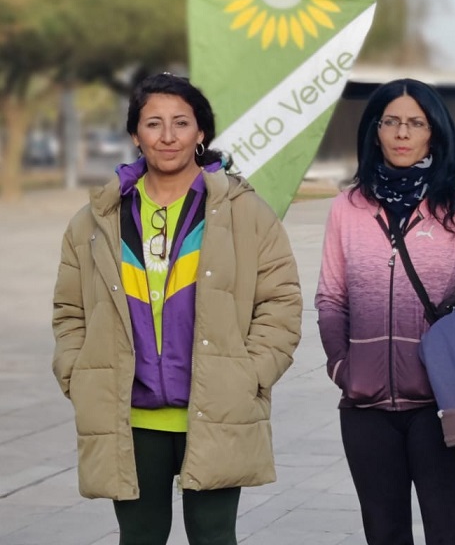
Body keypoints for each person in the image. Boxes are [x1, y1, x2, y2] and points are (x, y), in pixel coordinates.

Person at [52, 73, 303, 545]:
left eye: (181, 123)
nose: (167, 136)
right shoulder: (97, 220)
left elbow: (281, 303)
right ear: (135, 134)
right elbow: (69, 311)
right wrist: (78, 373)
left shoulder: (245, 213)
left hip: (216, 407)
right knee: (139, 537)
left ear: (200, 132)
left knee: (214, 536)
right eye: (153, 124)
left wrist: (248, 375)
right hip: (130, 417)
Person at [314, 78, 455, 545]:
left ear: (434, 132)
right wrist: (343, 367)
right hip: (365, 407)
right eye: (391, 122)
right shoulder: (348, 207)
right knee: (384, 534)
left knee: (448, 533)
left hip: (440, 405)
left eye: (416, 123)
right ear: (375, 130)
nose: (402, 133)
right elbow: (331, 298)